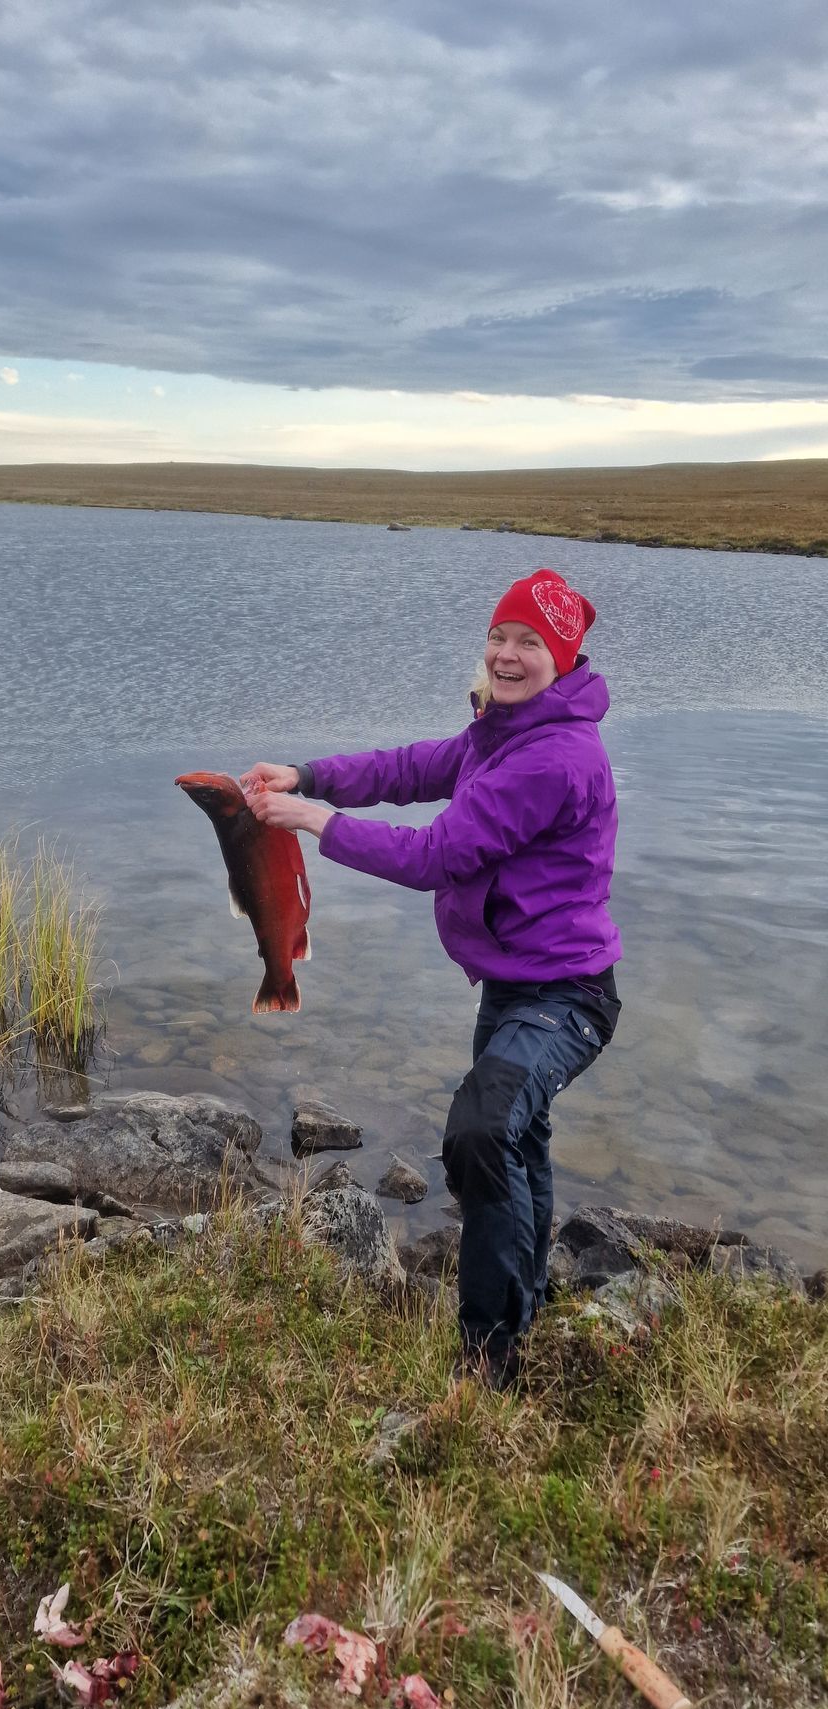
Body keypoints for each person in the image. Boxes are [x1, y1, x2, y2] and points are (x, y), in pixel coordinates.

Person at [242, 568, 621, 1388]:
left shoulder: (553, 759)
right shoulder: (506, 731)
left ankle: (490, 1356)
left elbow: (437, 856)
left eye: (530, 643)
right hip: (516, 985)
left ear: (563, 658)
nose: (508, 655)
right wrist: (308, 775)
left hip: (567, 998)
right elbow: (411, 768)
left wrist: (315, 823)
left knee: (482, 1135)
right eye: (499, 636)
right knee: (519, 1139)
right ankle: (533, 1302)